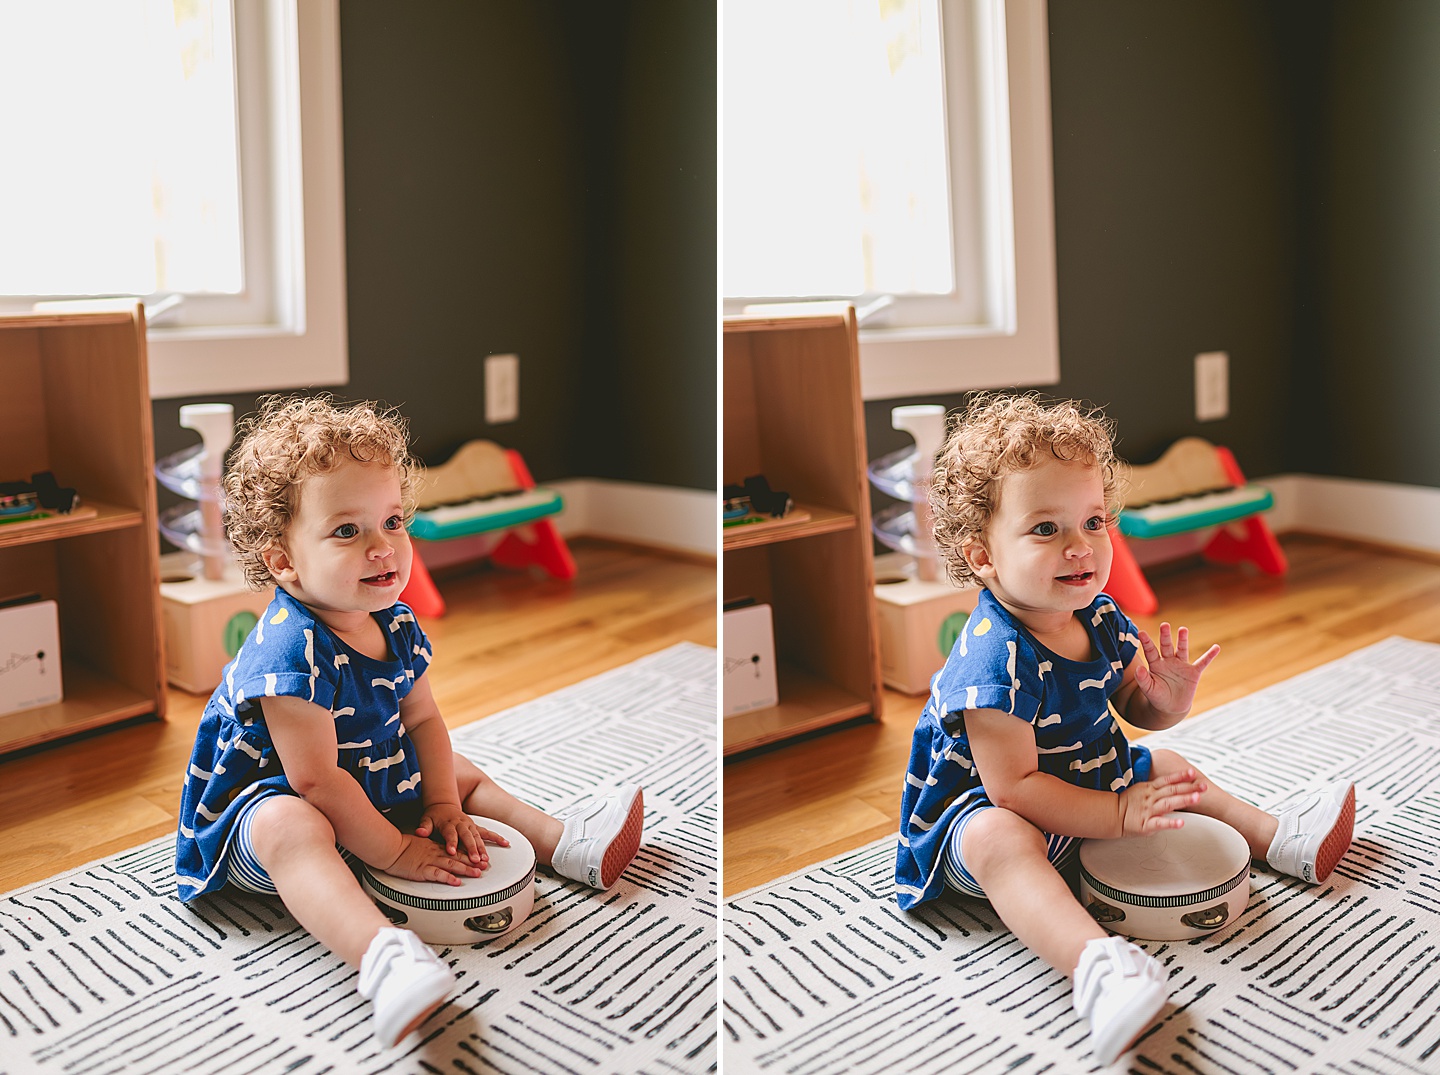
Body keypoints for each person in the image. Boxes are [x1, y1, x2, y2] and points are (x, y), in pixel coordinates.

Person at [894, 394, 1353, 1066]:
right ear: (984, 556)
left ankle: (1279, 838)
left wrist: (1165, 696)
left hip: (1084, 783)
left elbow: (1134, 709)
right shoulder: (993, 659)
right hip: (987, 813)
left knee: (1166, 761)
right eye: (1045, 529)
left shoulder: (1102, 616)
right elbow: (1015, 787)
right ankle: (1098, 969)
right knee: (1001, 837)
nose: (1079, 544)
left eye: (1092, 520)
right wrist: (1114, 812)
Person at [174, 395, 644, 1047]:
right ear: (284, 561)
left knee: (456, 767)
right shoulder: (288, 650)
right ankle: (383, 957)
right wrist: (397, 851)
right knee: (293, 824)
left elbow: (422, 717)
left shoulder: (394, 621)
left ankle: (565, 843)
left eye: (392, 520)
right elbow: (314, 781)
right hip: (267, 808)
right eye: (348, 530)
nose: (382, 546)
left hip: (359, 778)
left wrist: (445, 802)